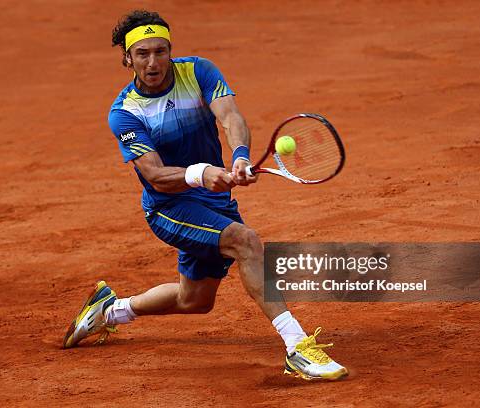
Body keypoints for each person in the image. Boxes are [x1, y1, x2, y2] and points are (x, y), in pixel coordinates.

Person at [62, 9, 348, 381]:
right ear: (127, 58)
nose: (153, 62)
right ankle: (297, 347)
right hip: (169, 208)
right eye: (143, 53)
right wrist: (202, 173)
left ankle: (110, 310)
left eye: (161, 51)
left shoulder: (198, 72)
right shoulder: (125, 113)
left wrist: (240, 157)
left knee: (194, 300)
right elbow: (156, 175)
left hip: (213, 203)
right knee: (245, 242)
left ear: (170, 50)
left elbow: (230, 117)